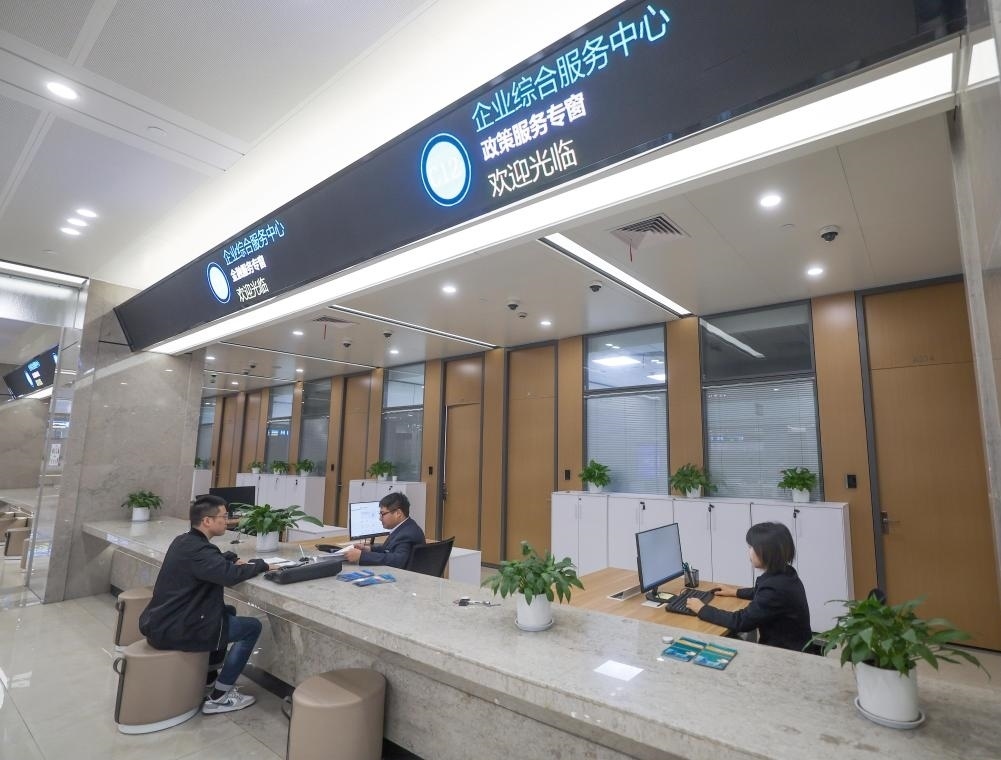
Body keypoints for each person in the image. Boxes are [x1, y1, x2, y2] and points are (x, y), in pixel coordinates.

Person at [139, 495, 276, 714]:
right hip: (177, 628)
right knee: (252, 627)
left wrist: (230, 557)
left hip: (164, 621)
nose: (227, 521)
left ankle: (208, 675)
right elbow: (230, 576)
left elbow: (212, 559)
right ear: (207, 521)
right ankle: (220, 696)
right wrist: (261, 565)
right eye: (224, 517)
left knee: (227, 611)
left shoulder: (184, 541)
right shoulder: (200, 552)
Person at [685, 522, 813, 652]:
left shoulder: (774, 589)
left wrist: (702, 609)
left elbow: (741, 621)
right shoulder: (786, 574)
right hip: (794, 647)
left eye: (752, 547)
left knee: (712, 641)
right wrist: (735, 592)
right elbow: (760, 592)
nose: (749, 551)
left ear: (767, 552)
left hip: (784, 656)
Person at [343, 492, 425, 569]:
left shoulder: (407, 534)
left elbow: (398, 560)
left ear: (398, 513)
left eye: (383, 514)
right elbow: (389, 550)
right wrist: (369, 549)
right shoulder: (405, 526)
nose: (380, 518)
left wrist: (362, 556)